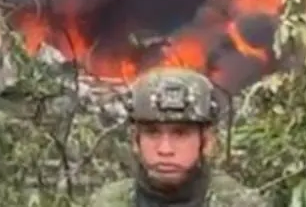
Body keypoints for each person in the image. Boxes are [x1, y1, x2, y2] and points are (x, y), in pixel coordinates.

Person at [87, 66, 268, 206]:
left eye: (180, 133)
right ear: (136, 140)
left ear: (206, 142)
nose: (165, 149)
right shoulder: (108, 202)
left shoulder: (238, 202)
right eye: (152, 132)